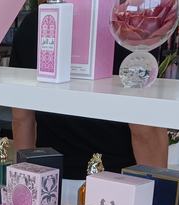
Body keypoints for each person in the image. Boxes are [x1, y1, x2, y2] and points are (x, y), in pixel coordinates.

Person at [9, 6, 168, 178]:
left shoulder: (37, 22)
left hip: (50, 176)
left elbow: (21, 119)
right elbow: (145, 131)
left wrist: (26, 179)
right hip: (115, 179)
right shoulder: (127, 27)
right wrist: (158, 189)